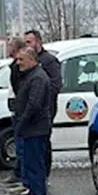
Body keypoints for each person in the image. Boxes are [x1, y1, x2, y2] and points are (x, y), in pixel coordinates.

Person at [12, 46, 52, 195]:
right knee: (28, 161)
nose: (18, 63)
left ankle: (39, 194)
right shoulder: (29, 76)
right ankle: (33, 190)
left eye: (21, 59)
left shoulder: (38, 78)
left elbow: (34, 104)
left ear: (31, 59)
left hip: (35, 127)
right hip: (30, 127)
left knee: (35, 162)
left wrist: (22, 122)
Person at [23, 30, 60, 179]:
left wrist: (40, 98)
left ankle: (44, 175)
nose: (26, 45)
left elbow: (56, 85)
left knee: (43, 143)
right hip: (32, 108)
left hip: (45, 109)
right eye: (25, 42)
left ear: (38, 42)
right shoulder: (27, 61)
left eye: (29, 42)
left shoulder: (49, 61)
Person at [0, 36, 29, 192]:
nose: (7, 48)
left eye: (10, 46)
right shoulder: (14, 66)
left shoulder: (20, 68)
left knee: (24, 146)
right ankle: (21, 175)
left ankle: (25, 179)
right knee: (20, 145)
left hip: (20, 110)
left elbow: (20, 89)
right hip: (15, 108)